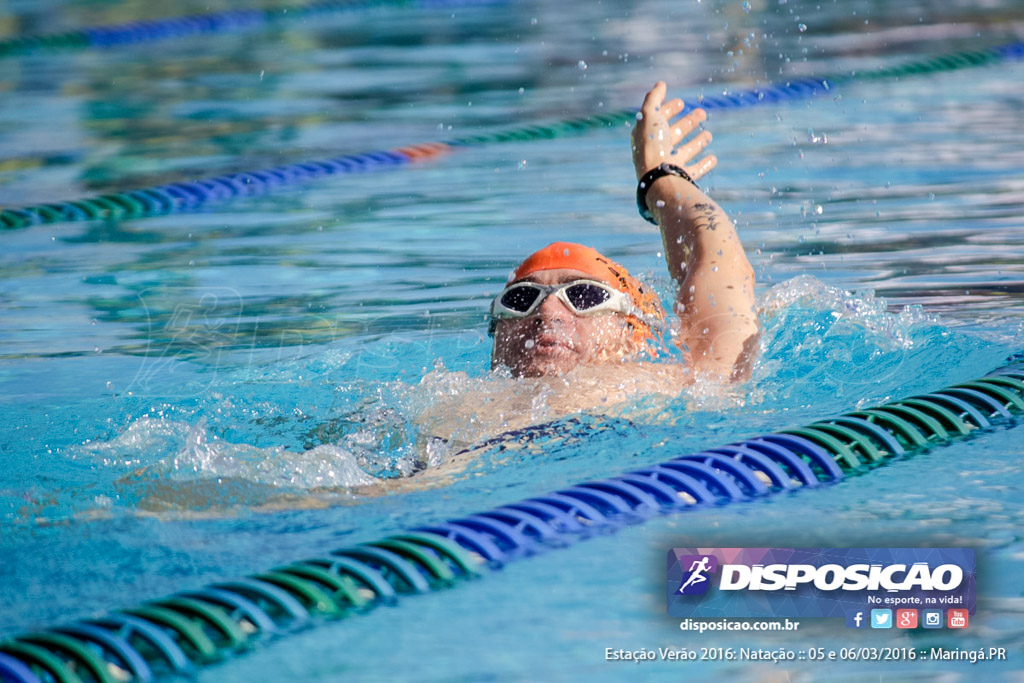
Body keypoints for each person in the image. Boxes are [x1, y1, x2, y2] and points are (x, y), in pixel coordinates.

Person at [490, 81, 760, 384]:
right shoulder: (459, 403)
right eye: (520, 298)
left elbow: (721, 299)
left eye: (583, 295)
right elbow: (725, 348)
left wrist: (660, 181)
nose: (545, 310)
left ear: (632, 336)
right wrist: (662, 180)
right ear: (496, 344)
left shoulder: (648, 390)